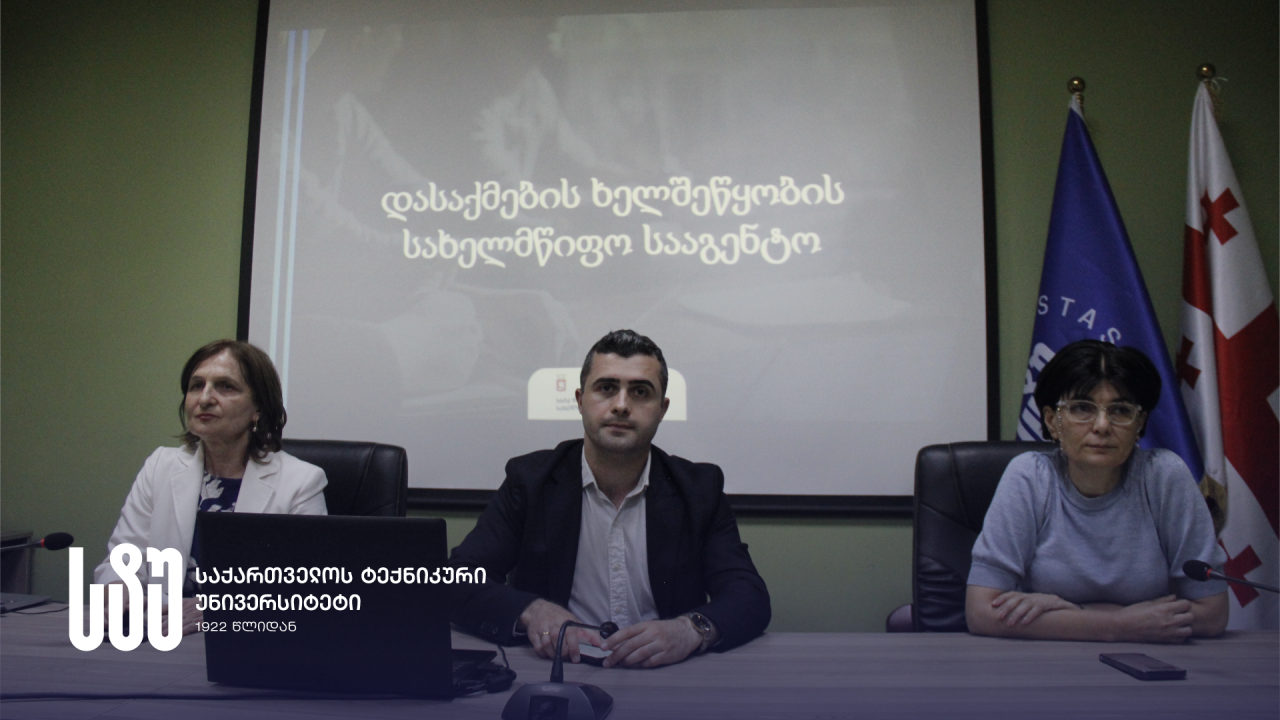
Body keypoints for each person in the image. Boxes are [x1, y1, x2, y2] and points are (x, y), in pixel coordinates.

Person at [450, 329, 770, 668]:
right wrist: (532, 611)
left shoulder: (699, 489)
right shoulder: (530, 481)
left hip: (666, 674)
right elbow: (456, 578)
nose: (621, 405)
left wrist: (690, 629)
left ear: (662, 409)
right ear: (579, 400)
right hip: (557, 672)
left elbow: (747, 593)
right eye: (606, 388)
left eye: (640, 392)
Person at [966, 340, 1228, 642]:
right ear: (1052, 421)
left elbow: (1213, 613)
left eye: (1120, 410)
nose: (1102, 426)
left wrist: (1074, 612)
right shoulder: (1029, 477)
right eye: (1081, 408)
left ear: (1139, 423)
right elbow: (980, 612)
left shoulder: (1164, 476)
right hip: (1044, 660)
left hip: (1150, 658)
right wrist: (1117, 625)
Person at [95, 340, 328, 635]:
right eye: (196, 386)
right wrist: (119, 590)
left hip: (245, 639)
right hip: (160, 634)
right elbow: (122, 559)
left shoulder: (300, 482)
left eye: (225, 387)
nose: (204, 398)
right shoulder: (160, 466)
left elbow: (309, 591)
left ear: (258, 408)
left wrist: (217, 609)